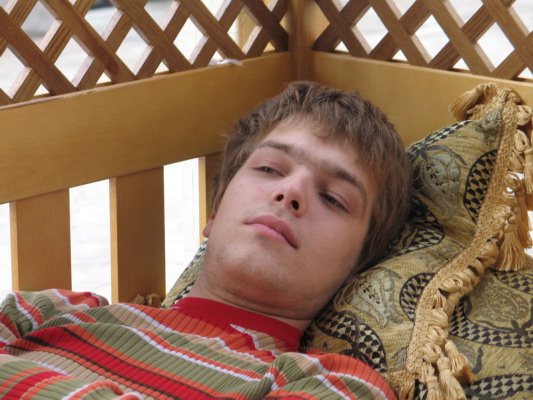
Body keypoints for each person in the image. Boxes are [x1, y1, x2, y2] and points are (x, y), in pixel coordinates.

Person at [0, 82, 411, 399]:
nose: (291, 192)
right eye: (269, 169)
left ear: (357, 268)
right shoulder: (46, 311)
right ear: (214, 214)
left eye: (333, 198)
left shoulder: (334, 384)